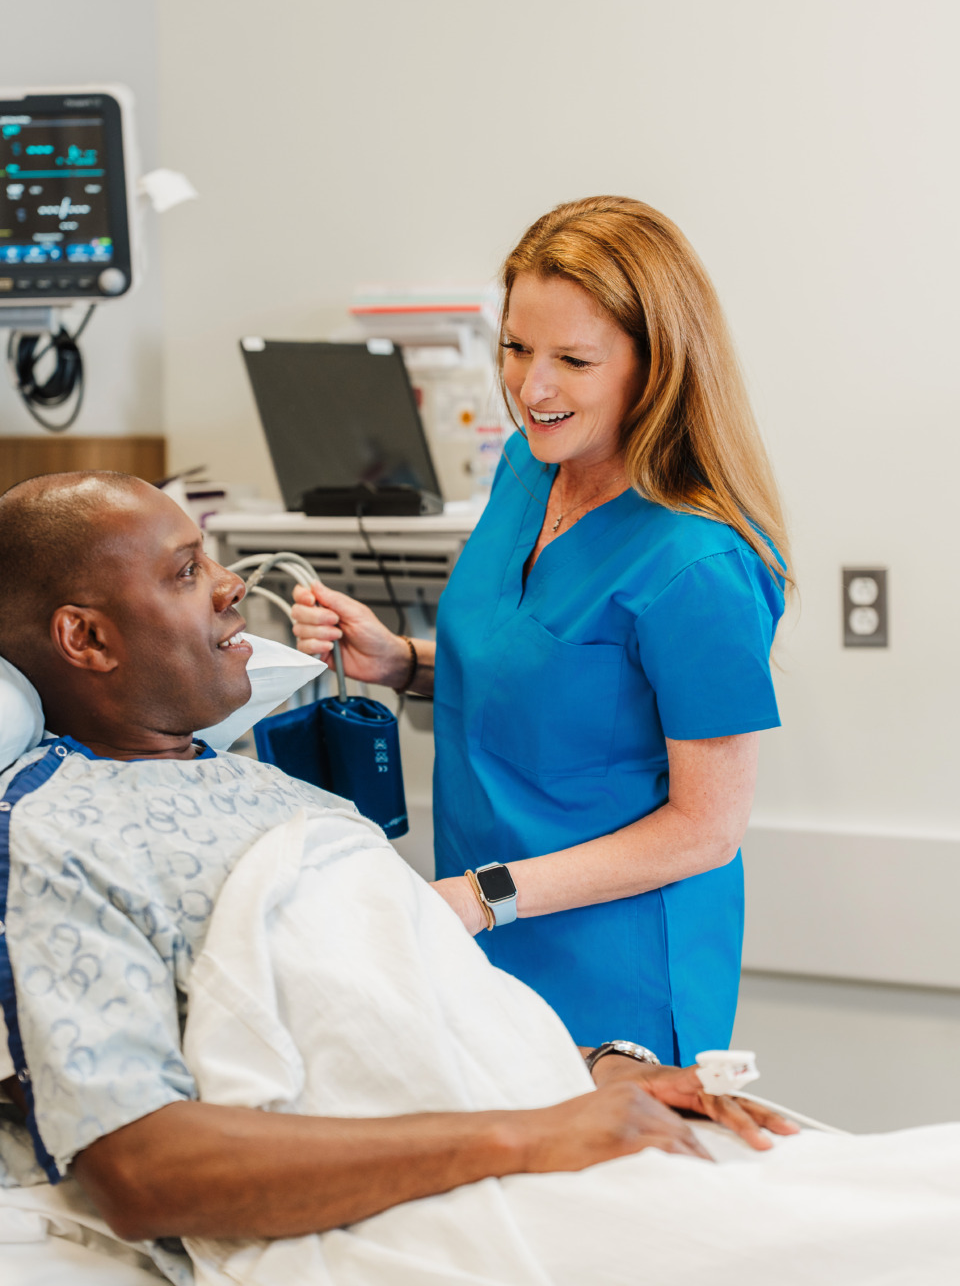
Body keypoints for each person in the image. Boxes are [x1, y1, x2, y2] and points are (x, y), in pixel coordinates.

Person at [0, 472, 793, 1283]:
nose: (233, 583)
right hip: (449, 1196)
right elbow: (140, 1168)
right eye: (186, 571)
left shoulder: (277, 794)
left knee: (834, 1198)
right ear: (87, 640)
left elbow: (407, 1003)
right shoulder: (55, 835)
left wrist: (609, 1068)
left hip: (530, 1115)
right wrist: (529, 1134)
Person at [291, 195, 789, 1065]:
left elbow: (706, 827)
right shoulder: (530, 467)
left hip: (614, 970)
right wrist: (403, 662)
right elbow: (559, 681)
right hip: (486, 940)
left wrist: (485, 897)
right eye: (518, 348)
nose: (532, 388)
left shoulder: (698, 566)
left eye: (574, 359)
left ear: (656, 365)